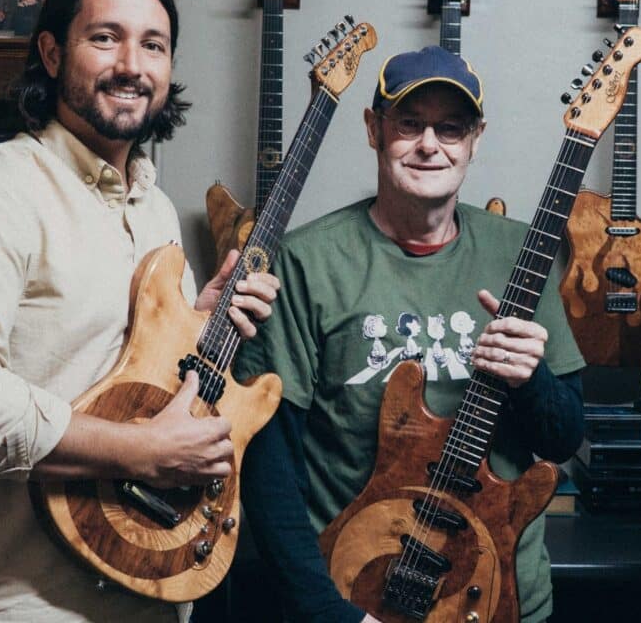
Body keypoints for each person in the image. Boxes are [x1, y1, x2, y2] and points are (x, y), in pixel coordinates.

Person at [0, 0, 280, 622]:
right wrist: (141, 452)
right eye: (105, 38)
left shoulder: (154, 207)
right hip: (20, 605)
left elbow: (122, 371)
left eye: (154, 45)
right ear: (52, 53)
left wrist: (195, 322)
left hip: (148, 590)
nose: (132, 66)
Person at [233, 45, 586, 623]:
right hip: (358, 594)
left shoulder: (523, 252)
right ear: (374, 129)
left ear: (475, 138)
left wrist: (532, 379)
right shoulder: (304, 262)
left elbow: (564, 437)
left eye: (451, 128)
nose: (430, 144)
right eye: (409, 124)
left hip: (500, 599)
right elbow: (270, 469)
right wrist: (329, 615)